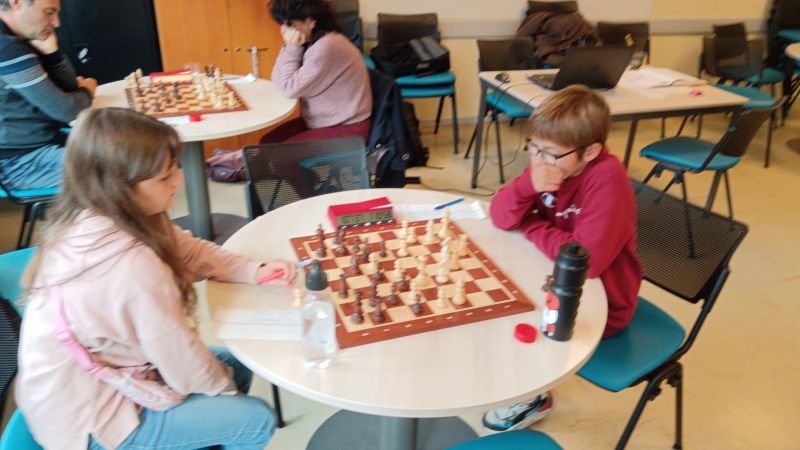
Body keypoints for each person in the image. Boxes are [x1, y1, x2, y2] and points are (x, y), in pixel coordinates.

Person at [15, 108, 297, 450]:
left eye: (174, 167)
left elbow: (188, 251)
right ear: (120, 188)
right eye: (165, 176)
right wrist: (228, 399)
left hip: (102, 376)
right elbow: (181, 359)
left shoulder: (104, 212)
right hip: (88, 420)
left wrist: (254, 270)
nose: (178, 179)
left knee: (238, 365)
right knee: (255, 419)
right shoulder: (133, 266)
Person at [483, 85, 642, 433]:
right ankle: (516, 378)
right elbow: (500, 216)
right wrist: (526, 187)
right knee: (490, 297)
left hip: (602, 303)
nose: (538, 160)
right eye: (533, 147)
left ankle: (534, 397)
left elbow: (586, 262)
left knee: (506, 319)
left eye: (550, 153)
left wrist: (530, 224)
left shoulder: (608, 180)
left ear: (590, 151)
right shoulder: (548, 165)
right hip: (549, 273)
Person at [0, 0, 96, 192]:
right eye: (49, 12)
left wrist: (53, 54)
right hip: (18, 163)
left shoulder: (18, 40)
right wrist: (87, 91)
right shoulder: (7, 49)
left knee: (122, 149)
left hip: (43, 143)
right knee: (124, 167)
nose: (56, 22)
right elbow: (67, 110)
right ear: (17, 3)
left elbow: (69, 89)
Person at [265, 0, 372, 145]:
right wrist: (292, 47)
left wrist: (292, 47)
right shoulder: (312, 42)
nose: (283, 31)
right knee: (267, 142)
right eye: (283, 24)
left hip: (346, 127)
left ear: (311, 21)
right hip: (322, 121)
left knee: (274, 154)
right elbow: (277, 79)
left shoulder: (327, 46)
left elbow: (290, 89)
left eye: (290, 25)